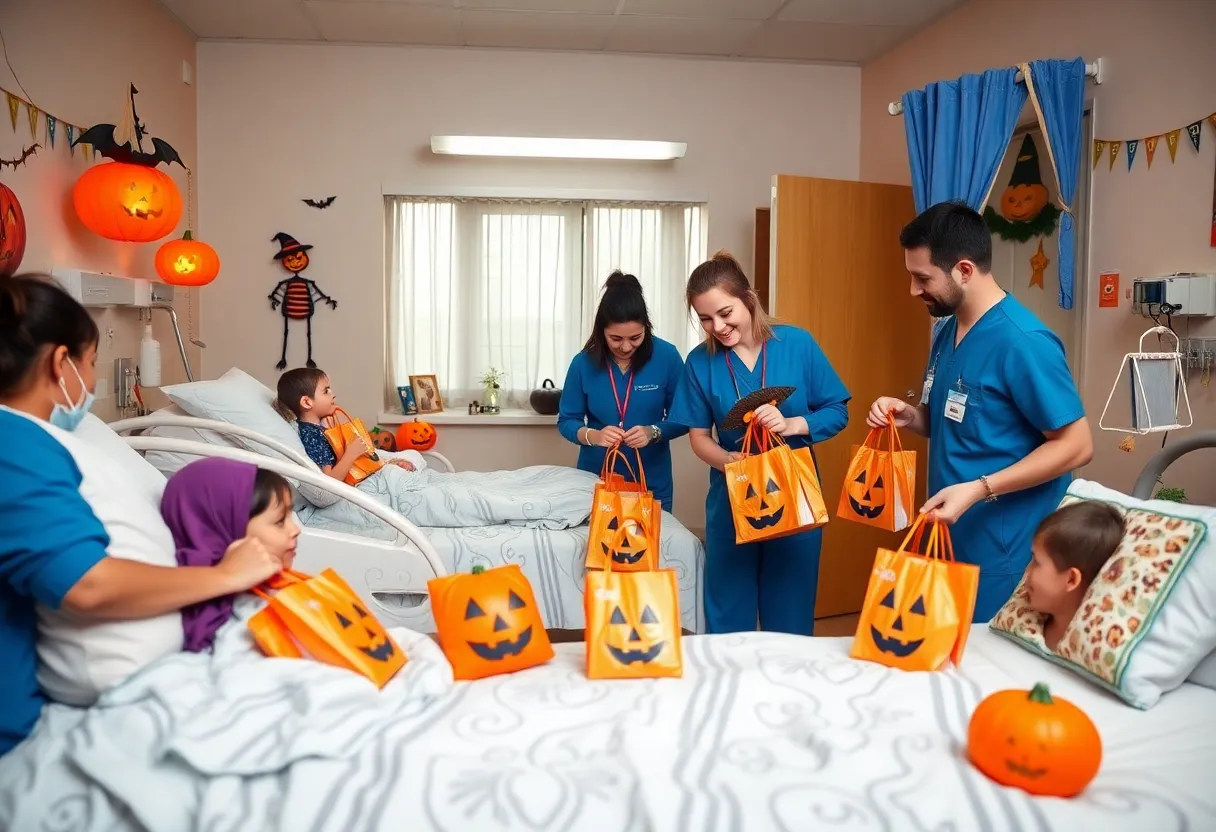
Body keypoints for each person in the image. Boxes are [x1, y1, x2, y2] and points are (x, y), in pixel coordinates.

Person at [0, 273, 285, 757]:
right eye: (91, 363)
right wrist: (223, 576)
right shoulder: (18, 444)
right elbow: (87, 586)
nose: (90, 383)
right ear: (59, 362)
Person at [867, 201, 1093, 622]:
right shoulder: (947, 329)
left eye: (922, 279)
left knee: (987, 675)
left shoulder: (1023, 342)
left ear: (964, 271)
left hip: (1004, 552)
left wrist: (979, 488)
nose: (914, 290)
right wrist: (908, 415)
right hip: (951, 540)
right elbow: (952, 423)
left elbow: (1077, 445)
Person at [669, 252, 850, 635]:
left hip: (795, 500)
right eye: (704, 318)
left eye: (725, 312)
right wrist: (729, 462)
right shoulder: (699, 362)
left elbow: (838, 411)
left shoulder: (797, 344)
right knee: (727, 616)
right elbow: (700, 438)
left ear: (749, 298)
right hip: (732, 498)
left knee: (790, 616)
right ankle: (730, 692)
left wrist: (793, 423)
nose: (716, 326)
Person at [557, 271, 688, 513]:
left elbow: (684, 417)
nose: (626, 346)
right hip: (595, 480)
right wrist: (593, 436)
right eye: (615, 338)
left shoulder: (667, 357)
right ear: (601, 331)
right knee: (598, 547)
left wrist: (654, 431)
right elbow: (567, 421)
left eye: (636, 338)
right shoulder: (582, 363)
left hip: (650, 479)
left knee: (650, 548)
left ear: (646, 328)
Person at [161, 458, 302, 653]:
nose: (295, 530)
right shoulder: (230, 626)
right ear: (227, 529)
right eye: (279, 521)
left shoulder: (271, 590)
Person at [274, 367, 415, 481]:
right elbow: (329, 480)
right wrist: (351, 453)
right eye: (326, 391)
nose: (332, 395)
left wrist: (389, 463)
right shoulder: (312, 435)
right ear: (307, 402)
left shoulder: (319, 429)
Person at [1023, 500, 1125, 651]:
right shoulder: (1025, 628)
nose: (1026, 572)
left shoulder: (1091, 651)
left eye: (1036, 562)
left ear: (1071, 579)